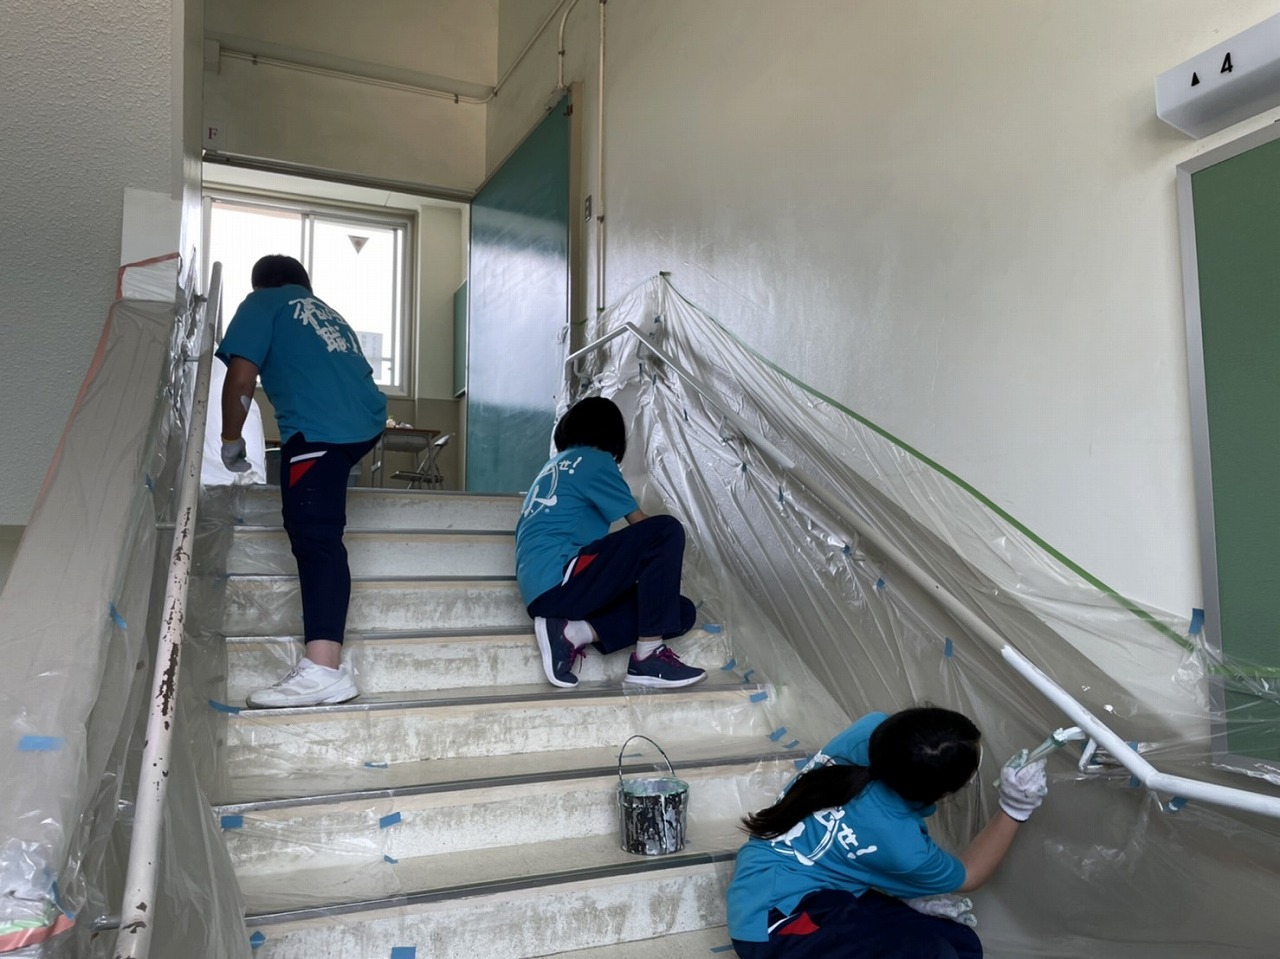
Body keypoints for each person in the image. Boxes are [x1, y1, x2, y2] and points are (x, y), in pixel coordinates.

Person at [726, 707, 1049, 958]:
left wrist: (908, 894)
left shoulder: (871, 731)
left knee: (962, 945)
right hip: (771, 915)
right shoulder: (902, 843)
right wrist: (1014, 808)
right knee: (933, 955)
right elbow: (969, 875)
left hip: (829, 890)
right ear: (941, 794)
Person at [217, 254, 387, 708]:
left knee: (315, 538)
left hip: (318, 428)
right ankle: (324, 666)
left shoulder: (262, 303)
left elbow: (240, 379)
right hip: (364, 422)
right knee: (318, 529)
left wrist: (231, 440)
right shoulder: (327, 313)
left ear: (261, 285)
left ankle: (324, 669)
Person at [514, 396, 707, 689]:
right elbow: (642, 526)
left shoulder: (552, 467)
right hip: (561, 578)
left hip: (543, 590)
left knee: (680, 612)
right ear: (610, 432)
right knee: (665, 530)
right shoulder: (594, 461)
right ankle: (648, 657)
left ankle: (573, 633)